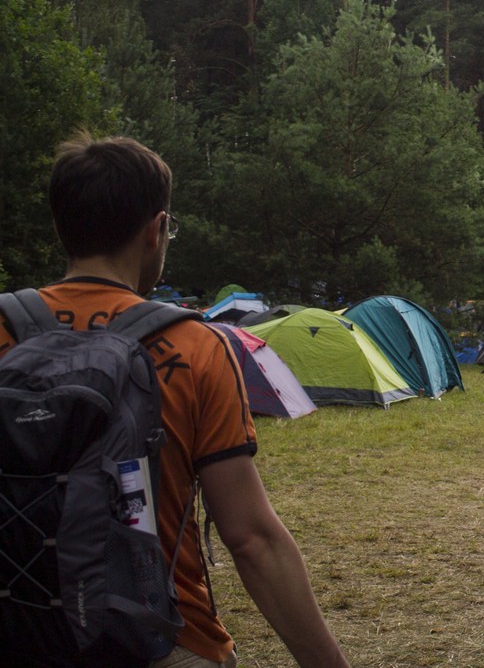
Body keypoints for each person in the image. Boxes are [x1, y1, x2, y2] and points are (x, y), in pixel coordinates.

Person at [0, 133, 349, 668]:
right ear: (156, 230)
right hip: (160, 640)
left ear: (59, 226)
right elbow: (251, 538)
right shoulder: (198, 348)